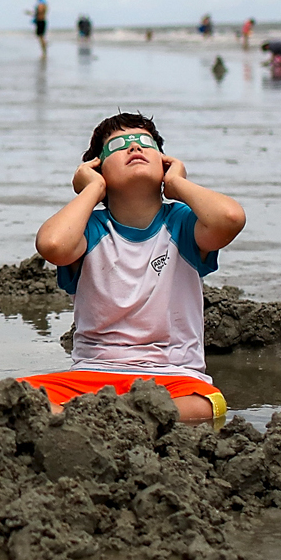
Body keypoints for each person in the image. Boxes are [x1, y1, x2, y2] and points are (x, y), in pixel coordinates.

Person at [27, 112, 246, 422]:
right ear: (97, 169)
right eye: (119, 146)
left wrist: (178, 184)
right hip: (93, 375)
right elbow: (52, 245)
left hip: (172, 376)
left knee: (207, 403)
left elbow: (231, 218)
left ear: (164, 163)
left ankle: (95, 417)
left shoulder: (181, 223)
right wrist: (91, 190)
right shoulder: (89, 229)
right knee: (18, 396)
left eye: (145, 143)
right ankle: (119, 416)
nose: (134, 148)